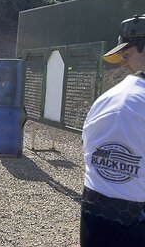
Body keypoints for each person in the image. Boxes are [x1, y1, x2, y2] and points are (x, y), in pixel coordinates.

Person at [80, 14, 145, 246]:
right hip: (128, 220)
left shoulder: (112, 98)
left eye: (126, 55)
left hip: (101, 214)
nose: (122, 63)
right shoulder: (128, 101)